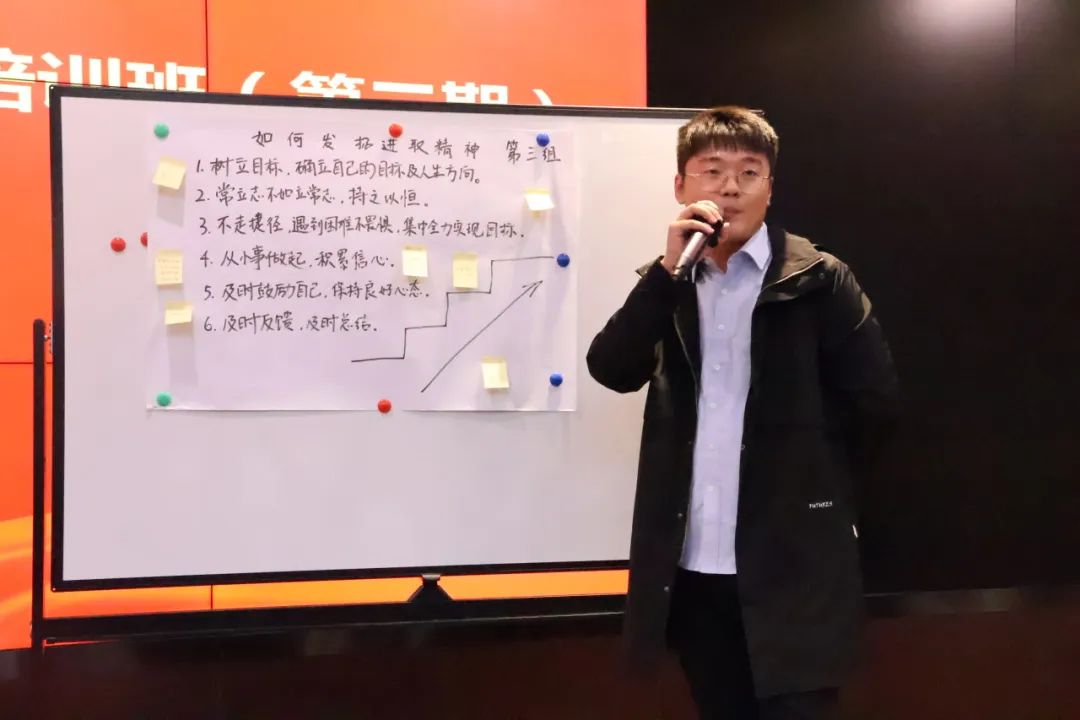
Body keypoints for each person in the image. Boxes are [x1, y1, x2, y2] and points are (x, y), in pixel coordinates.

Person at [587, 106, 900, 719]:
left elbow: (875, 406)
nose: (730, 187)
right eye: (712, 171)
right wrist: (665, 275)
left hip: (793, 568)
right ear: (681, 187)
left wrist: (818, 500)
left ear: (769, 189)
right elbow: (612, 368)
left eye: (749, 172)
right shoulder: (669, 284)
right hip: (695, 569)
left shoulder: (819, 280)